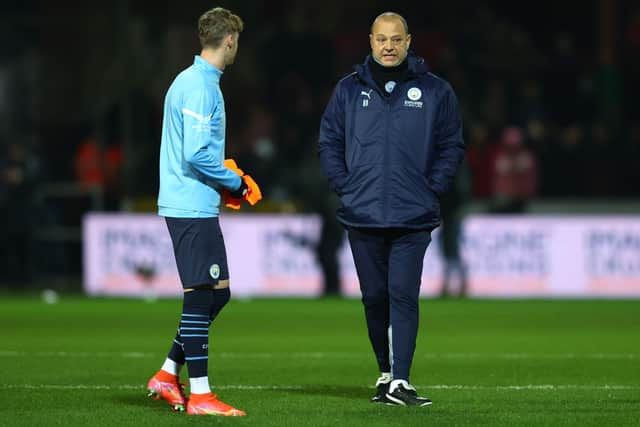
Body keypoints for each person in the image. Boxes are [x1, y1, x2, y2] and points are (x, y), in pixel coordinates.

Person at [318, 12, 465, 406]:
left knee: (403, 293)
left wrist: (432, 187)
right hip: (362, 212)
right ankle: (385, 374)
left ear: (408, 41)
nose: (388, 46)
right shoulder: (348, 91)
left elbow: (452, 145)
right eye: (381, 39)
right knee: (374, 297)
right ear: (370, 41)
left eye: (396, 39)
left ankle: (401, 380)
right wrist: (344, 186)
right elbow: (329, 142)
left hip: (412, 214)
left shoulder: (435, 91)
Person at [147, 7, 253, 417]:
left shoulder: (191, 81)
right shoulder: (200, 88)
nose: (236, 48)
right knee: (200, 295)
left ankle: (168, 372)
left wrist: (222, 177)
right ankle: (202, 396)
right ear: (230, 40)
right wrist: (234, 181)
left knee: (218, 293)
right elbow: (195, 153)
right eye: (237, 42)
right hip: (190, 204)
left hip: (195, 204)